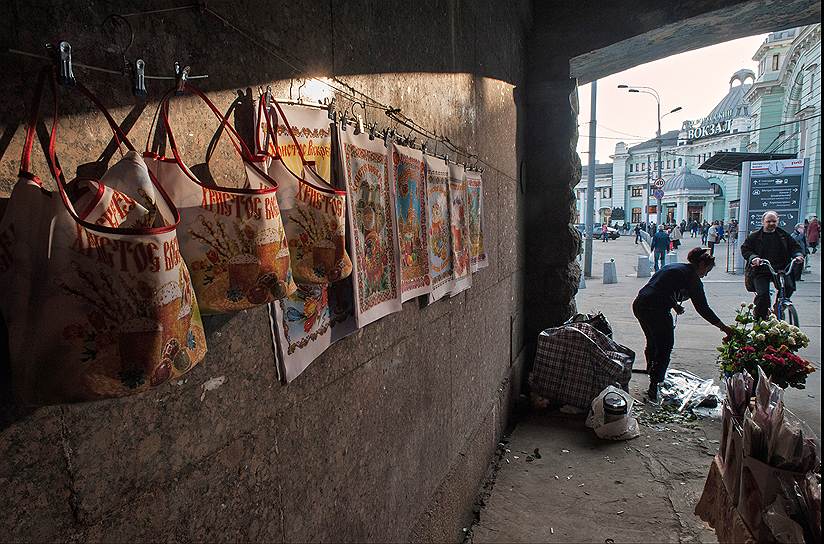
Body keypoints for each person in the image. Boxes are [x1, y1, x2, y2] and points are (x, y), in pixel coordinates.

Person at [633, 247, 733, 400]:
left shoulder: (675, 267)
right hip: (655, 309)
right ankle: (655, 386)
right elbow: (703, 308)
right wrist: (723, 327)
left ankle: (652, 373)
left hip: (640, 304)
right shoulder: (692, 278)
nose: (705, 275)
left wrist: (674, 305)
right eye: (707, 270)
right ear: (701, 265)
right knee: (665, 347)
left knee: (653, 342)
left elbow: (660, 286)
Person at [740, 211, 804, 320]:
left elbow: (795, 247)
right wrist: (754, 258)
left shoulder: (783, 235)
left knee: (789, 286)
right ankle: (760, 319)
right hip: (761, 270)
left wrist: (798, 255)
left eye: (774, 221)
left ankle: (778, 306)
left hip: (781, 269)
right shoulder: (754, 236)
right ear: (763, 222)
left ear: (777, 221)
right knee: (763, 295)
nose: (771, 223)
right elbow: (746, 249)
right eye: (768, 221)